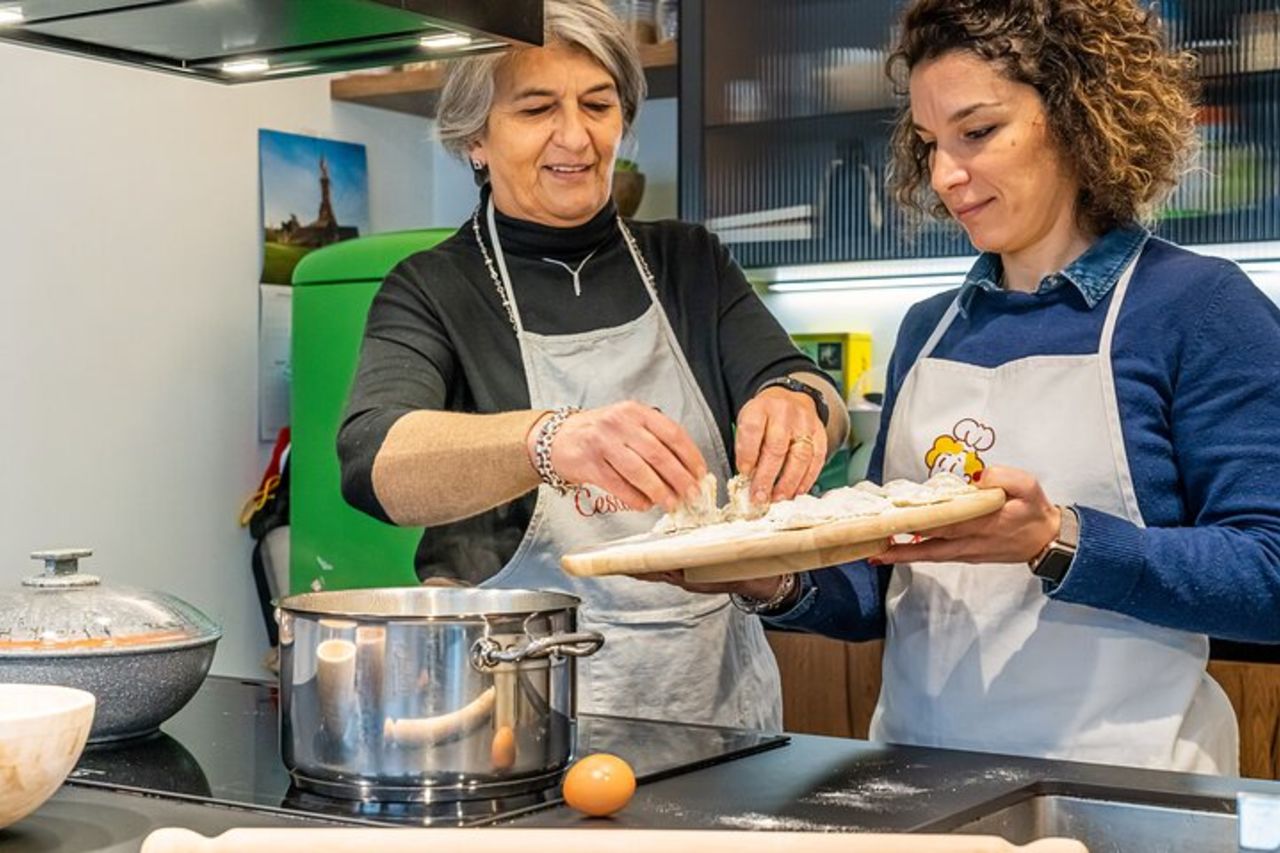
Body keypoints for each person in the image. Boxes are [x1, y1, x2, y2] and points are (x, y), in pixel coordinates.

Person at [660, 0, 1280, 773]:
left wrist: (1056, 538)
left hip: (1128, 786)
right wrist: (768, 575)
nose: (946, 174)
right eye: (929, 144)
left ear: (1077, 112)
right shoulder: (930, 328)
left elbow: (1269, 571)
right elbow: (880, 582)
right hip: (921, 776)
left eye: (977, 132)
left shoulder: (1198, 307)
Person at [337, 0, 848, 731]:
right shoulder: (434, 288)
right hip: (515, 721)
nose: (575, 136)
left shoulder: (689, 262)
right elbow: (373, 460)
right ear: (475, 137)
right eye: (538, 107)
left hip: (716, 720)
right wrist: (552, 441)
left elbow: (803, 383)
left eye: (598, 104)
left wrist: (799, 404)